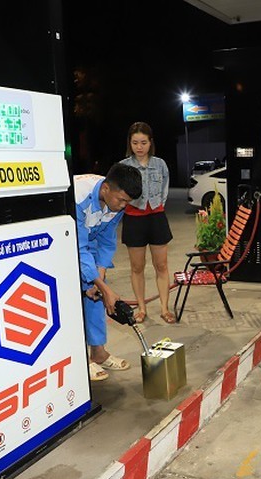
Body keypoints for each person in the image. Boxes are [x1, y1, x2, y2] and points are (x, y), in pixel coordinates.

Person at [75, 164, 143, 381]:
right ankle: (78, 359)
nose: (123, 206)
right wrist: (103, 286)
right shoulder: (78, 198)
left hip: (90, 242)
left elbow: (106, 240)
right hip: (64, 242)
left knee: (95, 295)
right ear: (105, 189)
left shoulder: (115, 206)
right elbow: (78, 246)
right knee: (72, 304)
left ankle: (98, 353)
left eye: (127, 203)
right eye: (121, 200)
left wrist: (100, 279)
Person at [120, 122, 175, 324]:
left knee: (161, 265)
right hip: (134, 220)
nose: (139, 147)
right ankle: (141, 309)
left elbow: (165, 187)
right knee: (137, 267)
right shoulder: (124, 166)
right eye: (135, 143)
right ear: (130, 144)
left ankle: (164, 308)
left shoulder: (160, 164)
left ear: (150, 143)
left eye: (143, 142)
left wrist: (158, 204)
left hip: (157, 218)